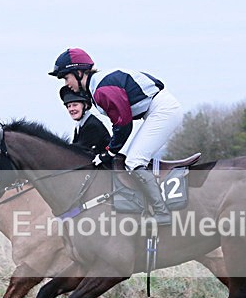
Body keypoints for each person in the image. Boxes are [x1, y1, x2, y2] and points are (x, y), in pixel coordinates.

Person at [49, 48, 183, 225]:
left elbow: (123, 125)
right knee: (125, 158)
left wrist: (109, 152)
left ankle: (162, 212)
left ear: (79, 72)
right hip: (154, 111)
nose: (66, 84)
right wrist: (111, 151)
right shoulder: (96, 86)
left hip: (162, 111)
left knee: (134, 161)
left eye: (66, 78)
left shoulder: (101, 89)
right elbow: (121, 124)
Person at [59, 86, 110, 154]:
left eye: (75, 105)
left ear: (85, 105)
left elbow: (79, 150)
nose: (71, 109)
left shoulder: (92, 125)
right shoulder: (80, 125)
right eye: (69, 106)